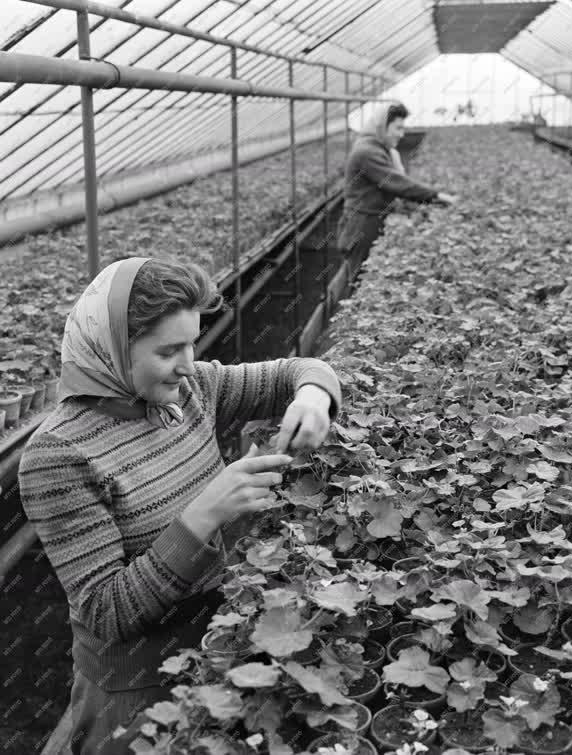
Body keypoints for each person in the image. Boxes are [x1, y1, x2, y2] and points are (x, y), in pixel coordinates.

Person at [18, 257, 342, 754]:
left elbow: (297, 370)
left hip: (222, 643)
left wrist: (315, 397)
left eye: (192, 342)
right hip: (137, 691)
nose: (189, 363)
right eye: (169, 350)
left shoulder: (189, 391)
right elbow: (108, 613)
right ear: (110, 350)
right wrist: (203, 515)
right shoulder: (59, 454)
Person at [337, 101, 456, 275]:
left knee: (357, 274)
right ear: (382, 126)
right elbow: (399, 184)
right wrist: (437, 196)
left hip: (368, 220)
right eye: (398, 128)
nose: (401, 134)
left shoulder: (377, 147)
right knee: (357, 277)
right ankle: (335, 300)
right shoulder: (367, 152)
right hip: (362, 225)